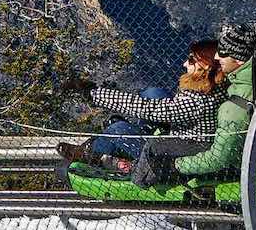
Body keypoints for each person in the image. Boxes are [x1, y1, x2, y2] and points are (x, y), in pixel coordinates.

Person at [132, 21, 256, 187]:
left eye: (222, 54)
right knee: (152, 94)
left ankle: (137, 177)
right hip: (204, 134)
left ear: (237, 60)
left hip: (200, 148)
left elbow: (218, 158)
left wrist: (175, 165)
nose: (217, 57)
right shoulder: (238, 83)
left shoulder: (232, 108)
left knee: (134, 134)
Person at [58, 38, 228, 165]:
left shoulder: (197, 101)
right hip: (186, 134)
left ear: (204, 66)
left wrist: (94, 94)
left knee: (117, 129)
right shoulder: (214, 86)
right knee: (154, 93)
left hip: (181, 150)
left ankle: (92, 153)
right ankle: (138, 132)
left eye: (191, 60)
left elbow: (150, 109)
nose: (185, 64)